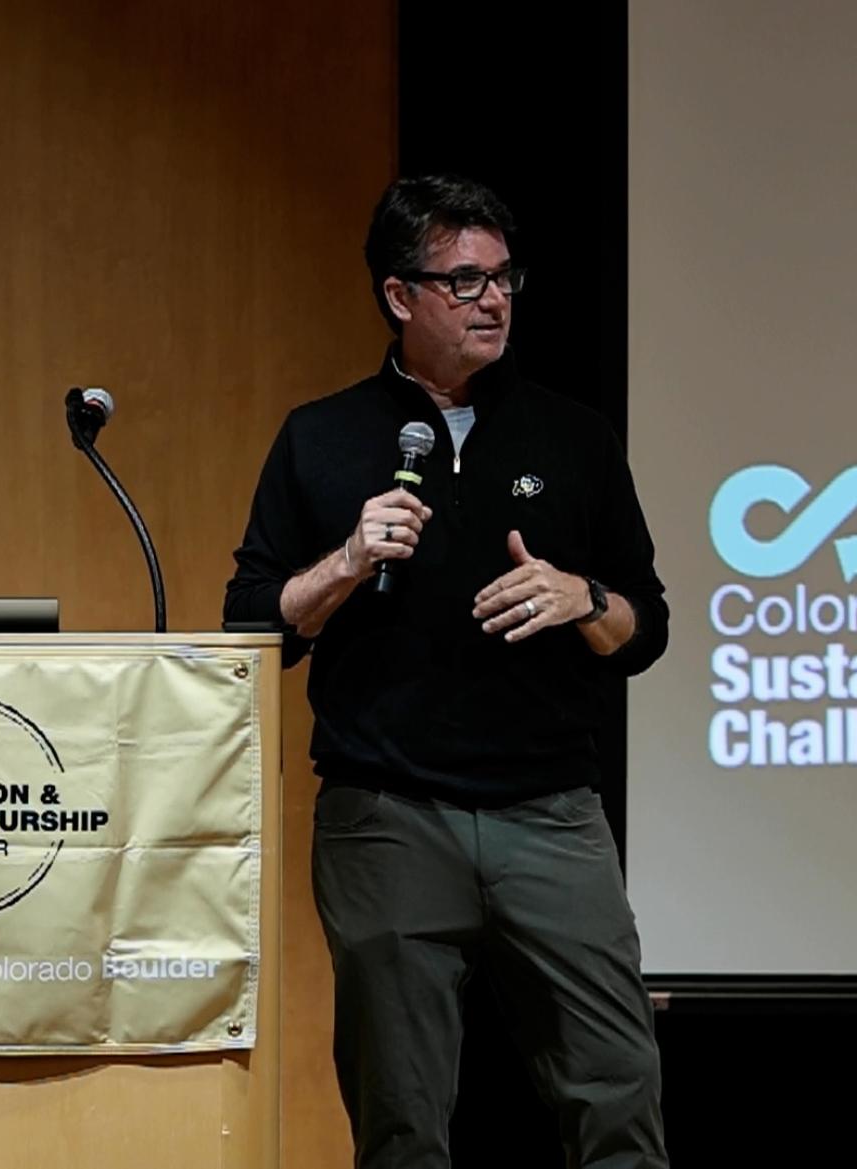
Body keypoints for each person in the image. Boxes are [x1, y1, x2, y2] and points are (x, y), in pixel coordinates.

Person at [224, 174, 669, 1168]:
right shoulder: (322, 437)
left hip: (552, 815)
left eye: (504, 277)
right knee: (401, 1123)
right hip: (388, 819)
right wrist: (344, 561)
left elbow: (647, 629)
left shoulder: (574, 435)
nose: (495, 300)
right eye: (466, 281)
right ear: (399, 295)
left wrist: (585, 599)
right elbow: (251, 625)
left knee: (620, 1099)